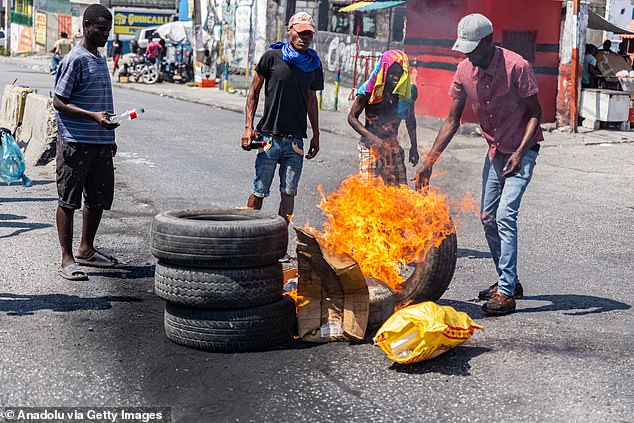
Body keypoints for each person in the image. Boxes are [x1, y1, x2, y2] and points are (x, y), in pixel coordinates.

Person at [413, 13, 543, 315]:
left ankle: (507, 293)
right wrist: (429, 161)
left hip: (523, 151)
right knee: (487, 217)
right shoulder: (463, 71)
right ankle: (508, 280)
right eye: (466, 49)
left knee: (505, 215)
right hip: (496, 152)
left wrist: (521, 152)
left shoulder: (517, 66)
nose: (469, 55)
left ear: (489, 41)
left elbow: (536, 113)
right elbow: (451, 120)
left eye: (474, 48)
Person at [52, 4, 120, 281]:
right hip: (75, 141)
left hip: (100, 142)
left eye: (108, 30)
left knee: (98, 199)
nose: (105, 34)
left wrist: (109, 137)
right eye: (101, 29)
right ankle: (67, 258)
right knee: (69, 200)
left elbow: (102, 102)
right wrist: (92, 117)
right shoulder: (75, 59)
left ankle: (86, 249)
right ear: (86, 27)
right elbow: (58, 101)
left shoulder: (100, 58)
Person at [241, 11, 323, 224]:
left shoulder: (313, 64)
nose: (305, 38)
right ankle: (248, 238)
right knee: (259, 192)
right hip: (269, 139)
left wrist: (316, 134)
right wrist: (248, 127)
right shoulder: (271, 56)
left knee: (288, 195)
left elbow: (311, 100)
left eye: (309, 35)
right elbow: (254, 92)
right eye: (301, 33)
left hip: (295, 142)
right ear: (290, 31)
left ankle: (278, 245)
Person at [347, 50, 419, 186]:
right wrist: (373, 138)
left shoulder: (407, 92)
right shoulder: (369, 89)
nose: (396, 78)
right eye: (392, 73)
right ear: (384, 71)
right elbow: (351, 118)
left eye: (399, 74)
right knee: (368, 193)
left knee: (400, 191)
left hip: (392, 145)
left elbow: (410, 120)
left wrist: (413, 147)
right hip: (369, 145)